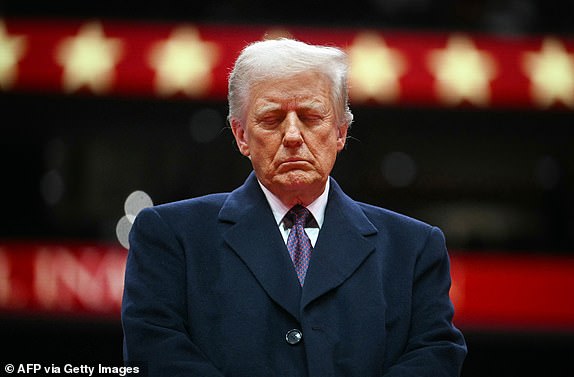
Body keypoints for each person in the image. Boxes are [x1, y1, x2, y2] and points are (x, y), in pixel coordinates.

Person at [121, 38, 467, 376]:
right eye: (271, 119)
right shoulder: (168, 235)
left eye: (310, 116)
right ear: (241, 135)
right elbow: (155, 351)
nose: (292, 135)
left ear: (340, 132)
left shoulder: (415, 247)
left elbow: (435, 354)